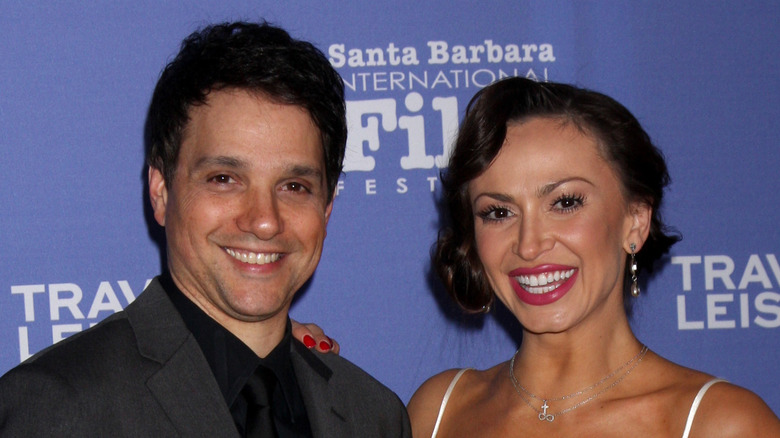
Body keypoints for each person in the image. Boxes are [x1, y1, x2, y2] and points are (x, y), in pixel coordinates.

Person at [0, 21, 410, 437]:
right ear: (161, 192)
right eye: (224, 179)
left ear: (327, 208)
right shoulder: (61, 405)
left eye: (294, 186)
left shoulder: (373, 415)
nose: (265, 220)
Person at [402, 77, 780, 437]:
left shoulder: (720, 424)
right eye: (498, 212)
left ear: (635, 221)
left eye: (564, 203)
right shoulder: (439, 411)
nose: (528, 245)